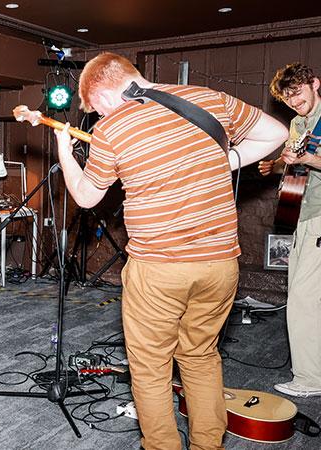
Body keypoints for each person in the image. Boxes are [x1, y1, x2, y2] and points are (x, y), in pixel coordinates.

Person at [54, 52, 287, 450]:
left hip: (159, 268)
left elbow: (87, 197)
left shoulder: (114, 128)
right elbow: (275, 134)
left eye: (94, 107)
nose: (96, 115)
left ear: (104, 94)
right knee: (201, 357)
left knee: (149, 370)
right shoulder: (207, 99)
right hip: (220, 264)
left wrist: (62, 147)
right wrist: (226, 159)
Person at [259, 63, 321, 398]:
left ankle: (310, 379)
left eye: (298, 95)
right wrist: (281, 163)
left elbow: (312, 159)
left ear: (315, 83)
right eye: (288, 100)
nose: (294, 105)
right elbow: (300, 156)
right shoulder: (299, 122)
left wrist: (309, 160)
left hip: (320, 215)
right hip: (302, 210)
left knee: (302, 299)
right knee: (307, 297)